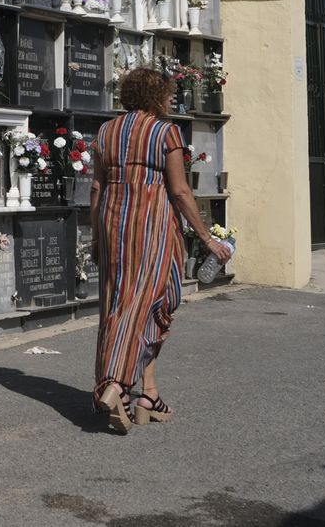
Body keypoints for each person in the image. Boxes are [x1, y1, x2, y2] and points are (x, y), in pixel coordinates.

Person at [88, 67, 231, 434]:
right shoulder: (165, 132)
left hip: (111, 225)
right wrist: (207, 239)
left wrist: (94, 238)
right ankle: (116, 384)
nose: (171, 100)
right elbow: (181, 192)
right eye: (168, 95)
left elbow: (96, 189)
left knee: (120, 301)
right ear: (156, 96)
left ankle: (147, 395)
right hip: (151, 224)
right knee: (153, 300)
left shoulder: (106, 131)